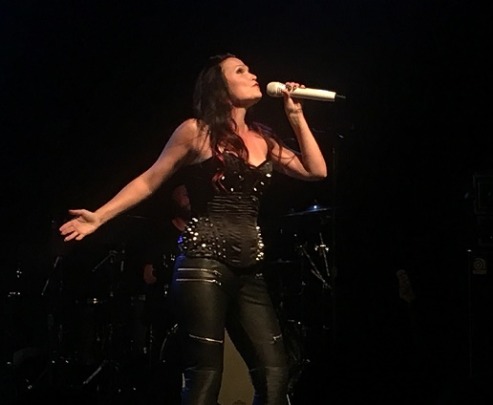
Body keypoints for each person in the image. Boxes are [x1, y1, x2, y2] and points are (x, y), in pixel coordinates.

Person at [59, 52, 328, 405]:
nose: (253, 75)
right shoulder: (197, 131)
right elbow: (149, 180)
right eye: (240, 70)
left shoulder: (264, 138)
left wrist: (295, 116)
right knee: (205, 375)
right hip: (203, 264)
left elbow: (316, 170)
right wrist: (99, 216)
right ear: (220, 87)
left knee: (275, 373)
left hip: (250, 268)